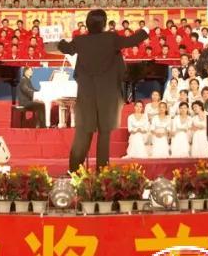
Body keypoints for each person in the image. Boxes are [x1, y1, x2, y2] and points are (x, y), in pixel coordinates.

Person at [58, 9, 149, 170]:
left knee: (83, 133)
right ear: (104, 23)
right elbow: (131, 41)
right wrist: (145, 31)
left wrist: (58, 41)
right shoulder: (111, 38)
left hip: (86, 94)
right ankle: (102, 172)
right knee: (104, 134)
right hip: (108, 95)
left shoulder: (80, 40)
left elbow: (67, 48)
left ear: (87, 23)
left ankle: (74, 170)